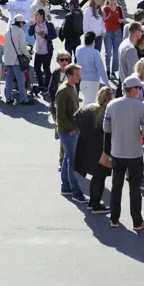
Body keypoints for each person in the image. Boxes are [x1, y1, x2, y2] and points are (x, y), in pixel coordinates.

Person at [102, 76, 144, 231]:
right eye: (139, 88)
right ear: (133, 89)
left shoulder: (111, 104)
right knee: (135, 188)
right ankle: (137, 221)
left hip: (117, 152)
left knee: (116, 186)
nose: (140, 90)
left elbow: (106, 128)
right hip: (135, 153)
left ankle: (114, 218)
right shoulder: (141, 107)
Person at [75, 86, 114, 214]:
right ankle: (96, 204)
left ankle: (92, 203)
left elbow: (75, 118)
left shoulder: (86, 109)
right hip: (102, 151)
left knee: (95, 178)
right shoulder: (106, 113)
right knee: (100, 178)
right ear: (108, 98)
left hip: (87, 149)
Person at [55, 64, 87, 202]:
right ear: (69, 75)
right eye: (77, 75)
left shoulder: (72, 87)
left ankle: (66, 187)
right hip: (68, 132)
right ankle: (76, 191)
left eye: (79, 74)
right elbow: (60, 115)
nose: (79, 77)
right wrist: (71, 129)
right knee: (73, 162)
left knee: (69, 158)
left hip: (73, 130)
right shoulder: (63, 91)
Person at [3, 14, 33, 105]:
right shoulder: (20, 32)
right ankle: (24, 99)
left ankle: (8, 98)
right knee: (21, 79)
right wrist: (28, 55)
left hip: (8, 59)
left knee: (9, 79)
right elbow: (23, 48)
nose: (24, 25)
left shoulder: (7, 31)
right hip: (17, 59)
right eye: (23, 23)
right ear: (20, 23)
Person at [75, 32, 107, 107]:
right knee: (89, 104)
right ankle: (81, 117)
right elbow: (101, 70)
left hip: (81, 81)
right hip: (92, 82)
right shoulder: (95, 53)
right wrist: (107, 84)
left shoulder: (78, 49)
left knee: (87, 101)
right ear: (93, 41)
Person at [118, 22, 143, 89]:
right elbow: (133, 73)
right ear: (137, 32)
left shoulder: (124, 43)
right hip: (131, 89)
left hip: (125, 85)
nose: (142, 33)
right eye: (141, 31)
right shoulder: (131, 49)